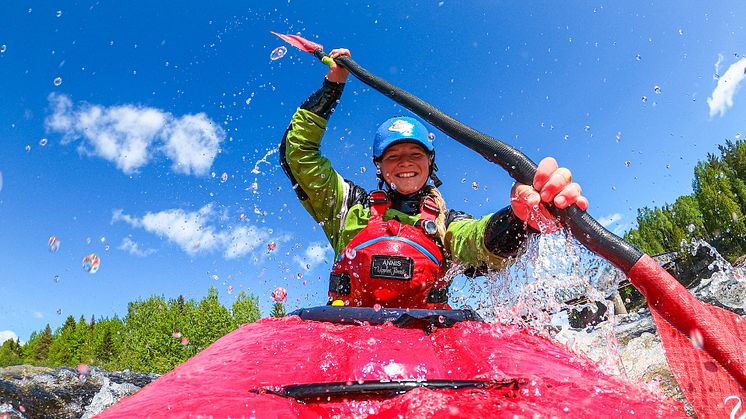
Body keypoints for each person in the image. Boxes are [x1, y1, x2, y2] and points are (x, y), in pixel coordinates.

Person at [280, 48, 588, 309]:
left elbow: (479, 243)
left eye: (415, 154)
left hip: (427, 341)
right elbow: (298, 154)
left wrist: (520, 219)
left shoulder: (446, 223)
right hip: (347, 336)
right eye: (393, 156)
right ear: (379, 166)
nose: (405, 163)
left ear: (430, 163)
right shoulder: (347, 207)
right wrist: (332, 87)